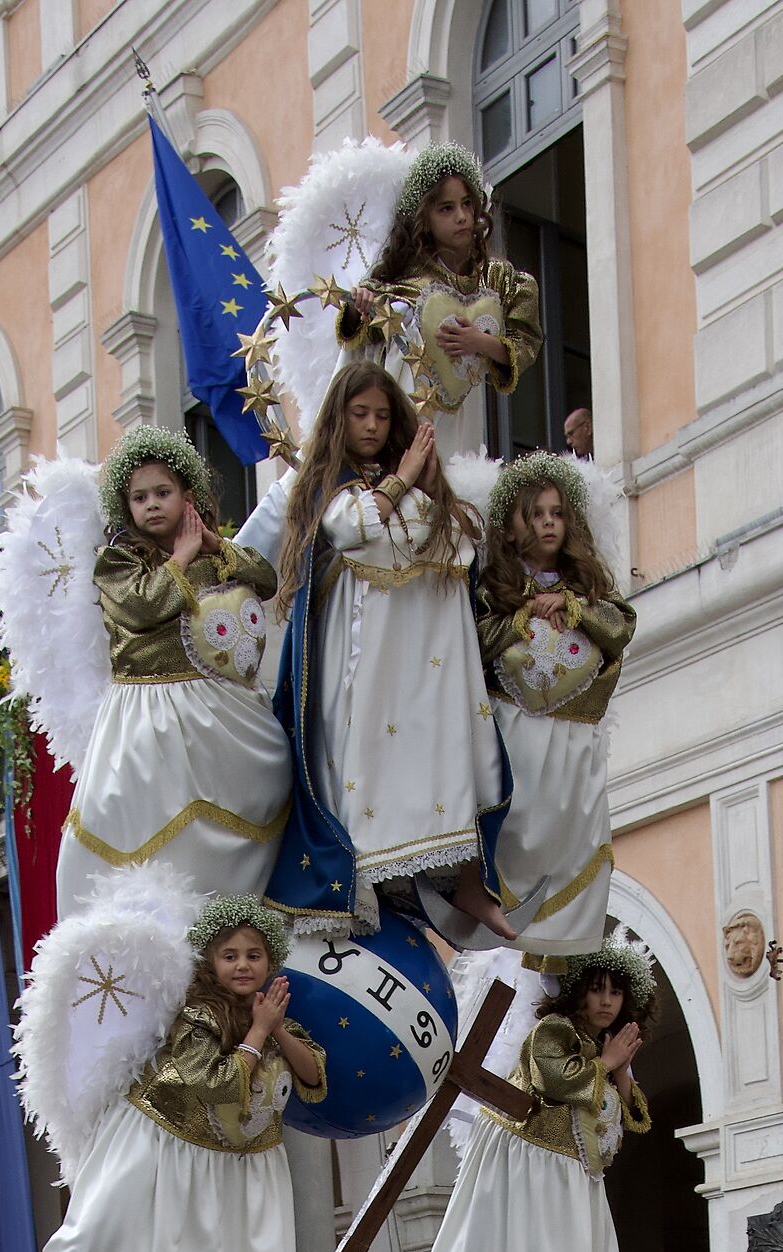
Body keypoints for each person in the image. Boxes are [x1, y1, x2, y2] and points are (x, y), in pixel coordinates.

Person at [0, 896, 325, 1252]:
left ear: (270, 963)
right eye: (229, 955)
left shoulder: (276, 1022)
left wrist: (274, 1027)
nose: (242, 965)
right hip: (157, 1146)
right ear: (210, 962)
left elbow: (313, 1077)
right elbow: (214, 1085)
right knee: (99, 1240)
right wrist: (257, 1031)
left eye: (254, 955)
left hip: (233, 1166)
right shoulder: (197, 1015)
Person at [268, 362, 512, 939]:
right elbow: (352, 528)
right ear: (339, 419)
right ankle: (366, 880)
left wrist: (411, 492)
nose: (373, 425)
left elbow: (450, 542)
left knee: (436, 757)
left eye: (382, 414)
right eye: (360, 414)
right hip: (355, 660)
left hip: (416, 660)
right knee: (363, 769)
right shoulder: (329, 486)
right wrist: (399, 484)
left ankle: (460, 877)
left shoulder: (417, 489)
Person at [398, 938, 655, 1252]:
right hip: (521, 1161)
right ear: (576, 990)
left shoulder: (606, 1049)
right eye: (596, 990)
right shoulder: (554, 1029)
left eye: (615, 993)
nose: (604, 1001)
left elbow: (635, 1117)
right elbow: (556, 1079)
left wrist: (619, 1069)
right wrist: (610, 1063)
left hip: (571, 1177)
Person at [54, 426, 292, 916]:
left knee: (234, 825)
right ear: (126, 506)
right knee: (131, 828)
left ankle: (233, 930)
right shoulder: (117, 560)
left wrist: (214, 545)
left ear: (187, 496)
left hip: (222, 716)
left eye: (163, 492)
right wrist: (182, 558)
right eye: (139, 497)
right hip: (147, 720)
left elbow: (265, 580)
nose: (152, 505)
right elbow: (142, 608)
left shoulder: (216, 553)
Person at [474, 454, 634, 958]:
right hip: (517, 739)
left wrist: (574, 608)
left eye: (557, 513)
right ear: (513, 523)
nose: (547, 523)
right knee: (518, 825)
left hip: (572, 744)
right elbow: (475, 641)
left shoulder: (586, 592)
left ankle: (561, 952)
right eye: (536, 513)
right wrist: (523, 618)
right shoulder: (495, 590)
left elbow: (621, 627)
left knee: (574, 841)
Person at [338, 145, 541, 455]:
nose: (461, 217)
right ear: (424, 218)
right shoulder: (401, 283)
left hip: (461, 419)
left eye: (466, 205)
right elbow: (368, 342)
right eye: (446, 208)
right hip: (404, 411)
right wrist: (360, 310)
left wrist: (481, 342)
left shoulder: (499, 279)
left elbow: (526, 339)